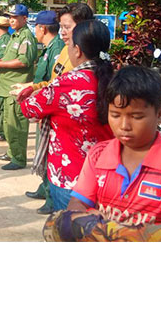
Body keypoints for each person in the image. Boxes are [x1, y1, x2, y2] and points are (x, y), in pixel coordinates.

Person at [64, 65, 161, 235]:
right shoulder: (97, 155)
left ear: (160, 114)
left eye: (136, 117)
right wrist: (85, 219)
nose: (124, 126)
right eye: (115, 115)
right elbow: (77, 203)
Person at [20, 20, 115, 213]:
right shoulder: (116, 80)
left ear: (77, 50)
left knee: (72, 227)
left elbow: (29, 108)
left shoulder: (68, 83)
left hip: (71, 177)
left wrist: (26, 95)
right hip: (109, 175)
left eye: (69, 44)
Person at [19, 4, 92, 203]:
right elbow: (54, 82)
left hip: (73, 145)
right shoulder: (65, 51)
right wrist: (35, 88)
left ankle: (52, 199)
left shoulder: (79, 61)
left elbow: (58, 89)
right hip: (55, 121)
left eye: (67, 27)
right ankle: (49, 194)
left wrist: (35, 97)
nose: (63, 32)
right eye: (61, 27)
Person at [0, 5, 38, 170]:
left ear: (24, 19)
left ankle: (18, 158)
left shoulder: (26, 37)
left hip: (16, 87)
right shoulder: (14, 36)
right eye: (10, 17)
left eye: (15, 17)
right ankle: (12, 152)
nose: (12, 20)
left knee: (16, 124)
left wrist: (0, 64)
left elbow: (24, 61)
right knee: (8, 123)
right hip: (6, 87)